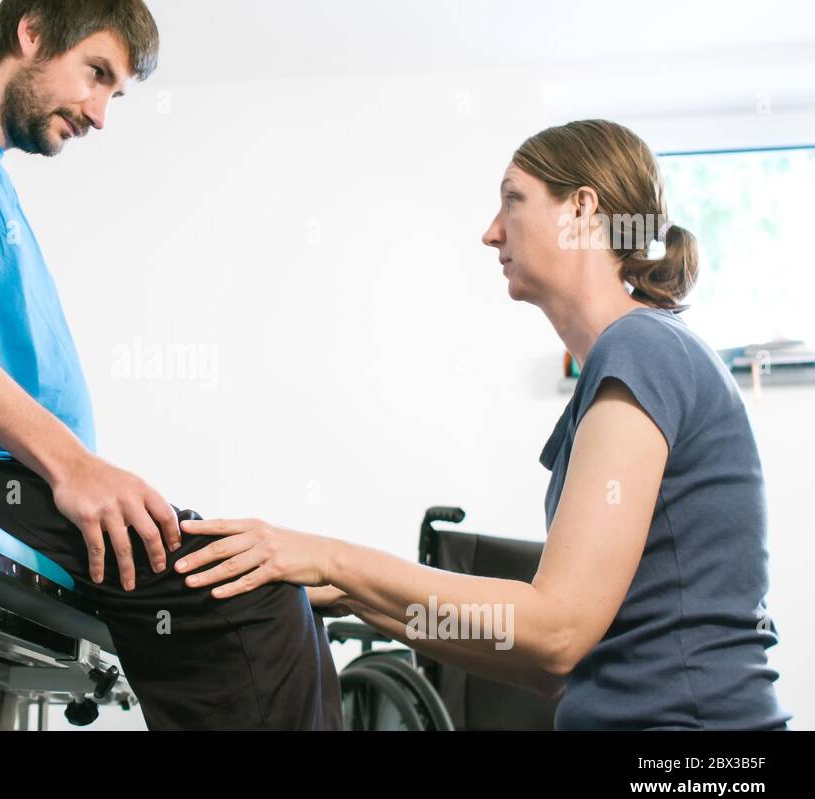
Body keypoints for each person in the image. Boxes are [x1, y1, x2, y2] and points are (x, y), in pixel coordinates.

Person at [0, 0, 341, 730]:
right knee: (253, 601)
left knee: (283, 587)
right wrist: (72, 466)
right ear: (31, 31)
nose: (100, 113)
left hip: (13, 483)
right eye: (95, 74)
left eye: (116, 94)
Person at [176, 120, 792, 730]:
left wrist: (332, 559)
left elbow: (556, 631)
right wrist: (355, 597)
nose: (491, 232)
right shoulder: (632, 361)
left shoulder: (642, 349)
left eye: (512, 199)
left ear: (581, 209)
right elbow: (547, 667)